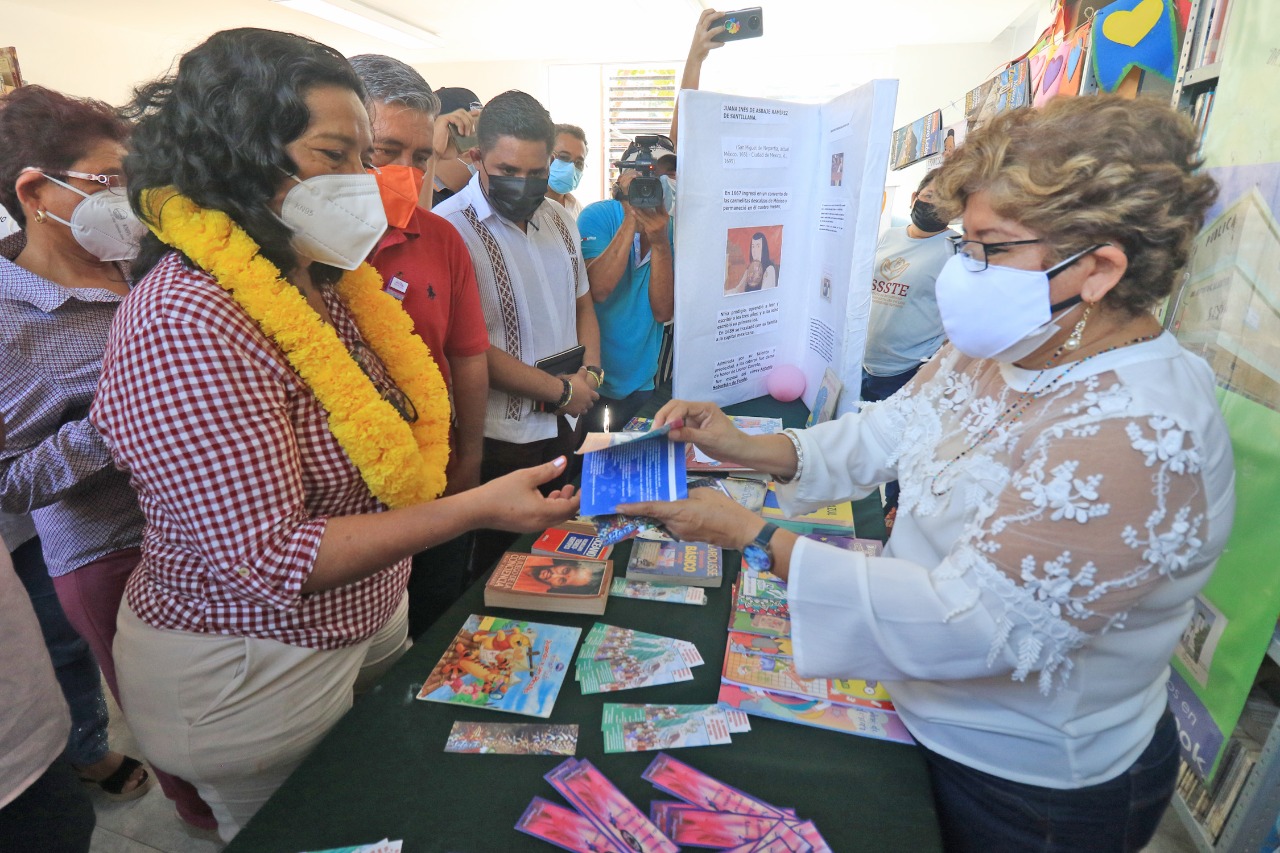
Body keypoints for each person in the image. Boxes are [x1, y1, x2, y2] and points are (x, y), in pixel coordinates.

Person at [621, 95, 1235, 852]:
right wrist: (743, 447)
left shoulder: (1138, 428)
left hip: (1025, 788)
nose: (963, 270)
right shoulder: (1007, 344)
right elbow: (890, 430)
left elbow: (972, 623)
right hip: (919, 715)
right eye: (963, 244)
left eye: (991, 248)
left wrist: (754, 535)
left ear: (1102, 267)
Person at [94, 29, 579, 840]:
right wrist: (476, 507)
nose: (368, 183)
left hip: (364, 624)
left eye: (376, 155)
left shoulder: (321, 275)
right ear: (238, 155)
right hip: (252, 667)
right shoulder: (187, 317)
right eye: (338, 154)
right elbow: (272, 556)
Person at [0, 84, 226, 823]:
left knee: (227, 708)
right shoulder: (10, 321)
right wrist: (116, 420)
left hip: (203, 525)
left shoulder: (139, 259)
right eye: (108, 182)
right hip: (111, 552)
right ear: (36, 190)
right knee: (176, 734)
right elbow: (12, 481)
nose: (128, 201)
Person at [348, 54, 491, 637]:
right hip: (344, 501)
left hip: (433, 472)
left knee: (434, 627)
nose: (406, 171)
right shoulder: (297, 243)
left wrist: (470, 459)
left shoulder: (440, 236)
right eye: (384, 152)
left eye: (421, 156)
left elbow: (468, 356)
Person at [433, 89, 601, 575]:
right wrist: (561, 389)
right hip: (498, 437)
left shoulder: (560, 220)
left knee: (555, 556)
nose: (522, 184)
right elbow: (465, 346)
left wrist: (589, 375)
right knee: (495, 568)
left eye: (536, 172)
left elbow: (583, 304)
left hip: (567, 422)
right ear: (475, 158)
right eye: (507, 172)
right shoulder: (449, 230)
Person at [861, 168, 956, 528]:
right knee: (865, 444)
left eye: (943, 199)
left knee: (904, 451)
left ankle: (896, 511)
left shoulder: (954, 251)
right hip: (864, 364)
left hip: (908, 369)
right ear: (915, 195)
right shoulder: (888, 236)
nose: (931, 204)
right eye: (929, 195)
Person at [578, 135, 677, 433]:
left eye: (668, 175)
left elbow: (663, 312)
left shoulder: (674, 228)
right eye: (650, 174)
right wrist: (631, 218)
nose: (659, 182)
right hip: (591, 375)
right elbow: (598, 290)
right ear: (625, 179)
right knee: (585, 461)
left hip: (642, 379)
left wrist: (659, 242)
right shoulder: (597, 215)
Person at [430, 86, 483, 208]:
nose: (481, 147)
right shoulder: (422, 197)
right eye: (466, 131)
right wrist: (433, 153)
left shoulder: (478, 200)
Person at [546, 123, 588, 219]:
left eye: (579, 163)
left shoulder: (578, 210)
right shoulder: (526, 210)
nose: (571, 168)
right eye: (564, 157)